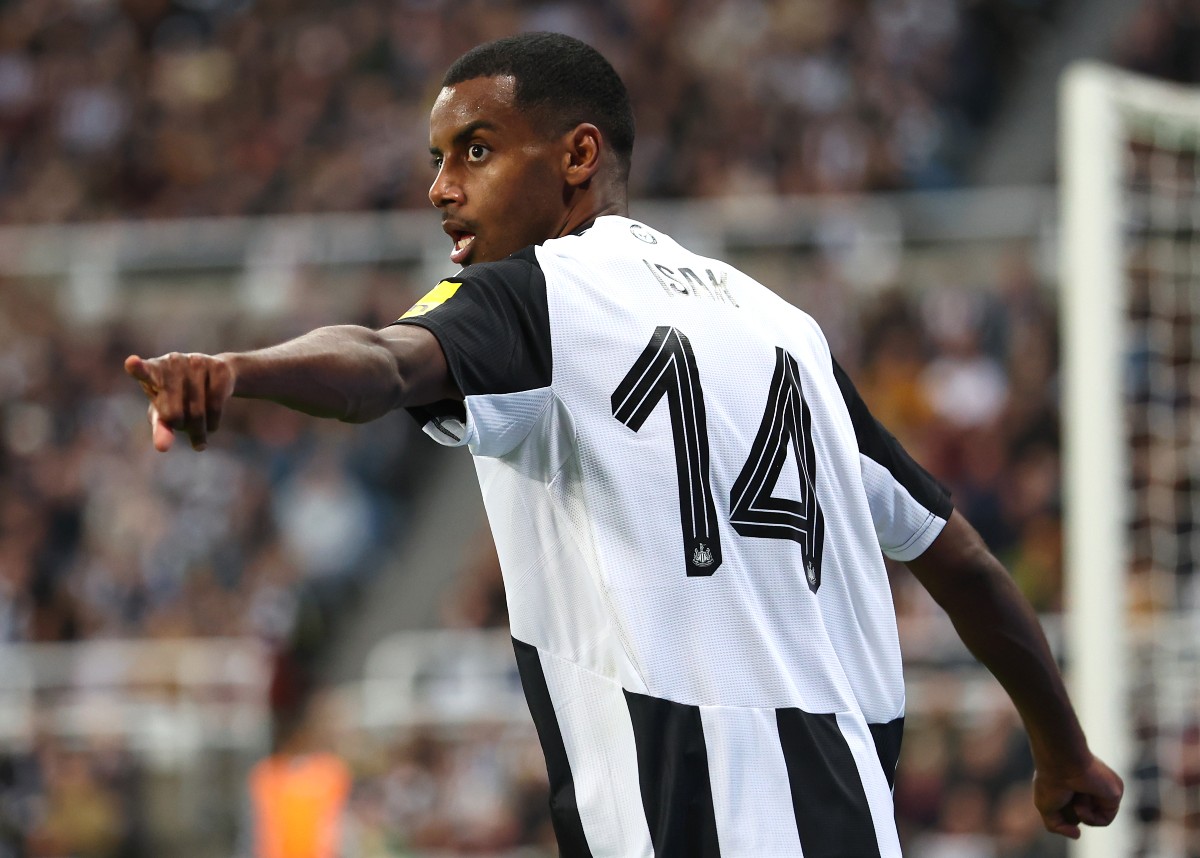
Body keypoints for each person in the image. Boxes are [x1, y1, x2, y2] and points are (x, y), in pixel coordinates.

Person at [125, 32, 1123, 857]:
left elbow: (382, 363)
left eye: (474, 149)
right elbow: (960, 560)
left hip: (680, 805)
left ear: (577, 155)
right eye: (436, 158)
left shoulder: (537, 294)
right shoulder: (785, 329)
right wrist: (1062, 749)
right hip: (849, 810)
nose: (439, 188)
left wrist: (242, 370)